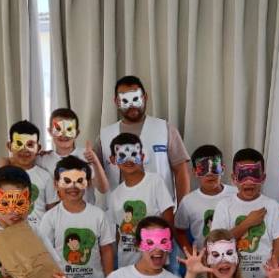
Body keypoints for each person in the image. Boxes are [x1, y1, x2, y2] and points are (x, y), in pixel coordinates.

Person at [95, 75, 192, 201]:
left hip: (160, 208)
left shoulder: (165, 129)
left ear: (145, 97)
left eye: (136, 98)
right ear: (116, 101)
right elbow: (92, 173)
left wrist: (182, 209)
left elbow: (181, 171)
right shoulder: (104, 136)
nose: (131, 105)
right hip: (118, 209)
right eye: (125, 100)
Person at [210, 148, 279, 278]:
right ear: (234, 178)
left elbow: (278, 246)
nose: (249, 181)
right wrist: (247, 223)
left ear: (263, 177)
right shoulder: (224, 206)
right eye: (243, 175)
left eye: (254, 175)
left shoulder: (272, 206)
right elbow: (217, 242)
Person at [106, 132, 175, 267]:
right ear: (113, 159)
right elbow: (118, 232)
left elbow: (169, 220)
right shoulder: (114, 195)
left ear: (142, 156)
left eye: (134, 154)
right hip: (126, 265)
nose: (129, 160)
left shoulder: (155, 182)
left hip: (155, 262)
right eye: (122, 156)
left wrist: (163, 253)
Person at [35, 108, 109, 210]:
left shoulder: (86, 156)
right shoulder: (42, 160)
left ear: (77, 133)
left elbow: (103, 189)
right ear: (50, 131)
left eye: (69, 129)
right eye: (58, 129)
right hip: (55, 216)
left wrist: (95, 162)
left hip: (85, 215)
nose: (64, 134)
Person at [173, 144, 236, 253]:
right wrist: (191, 254)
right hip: (203, 258)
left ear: (222, 169)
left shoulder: (236, 194)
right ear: (194, 172)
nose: (210, 174)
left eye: (214, 168)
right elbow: (179, 231)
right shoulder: (188, 201)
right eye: (203, 169)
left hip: (233, 256)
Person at [0, 119, 53, 218]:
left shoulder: (46, 177)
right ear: (9, 146)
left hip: (39, 227)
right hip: (10, 227)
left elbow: (52, 211)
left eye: (30, 145)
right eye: (19, 144)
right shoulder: (2, 173)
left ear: (38, 148)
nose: (24, 149)